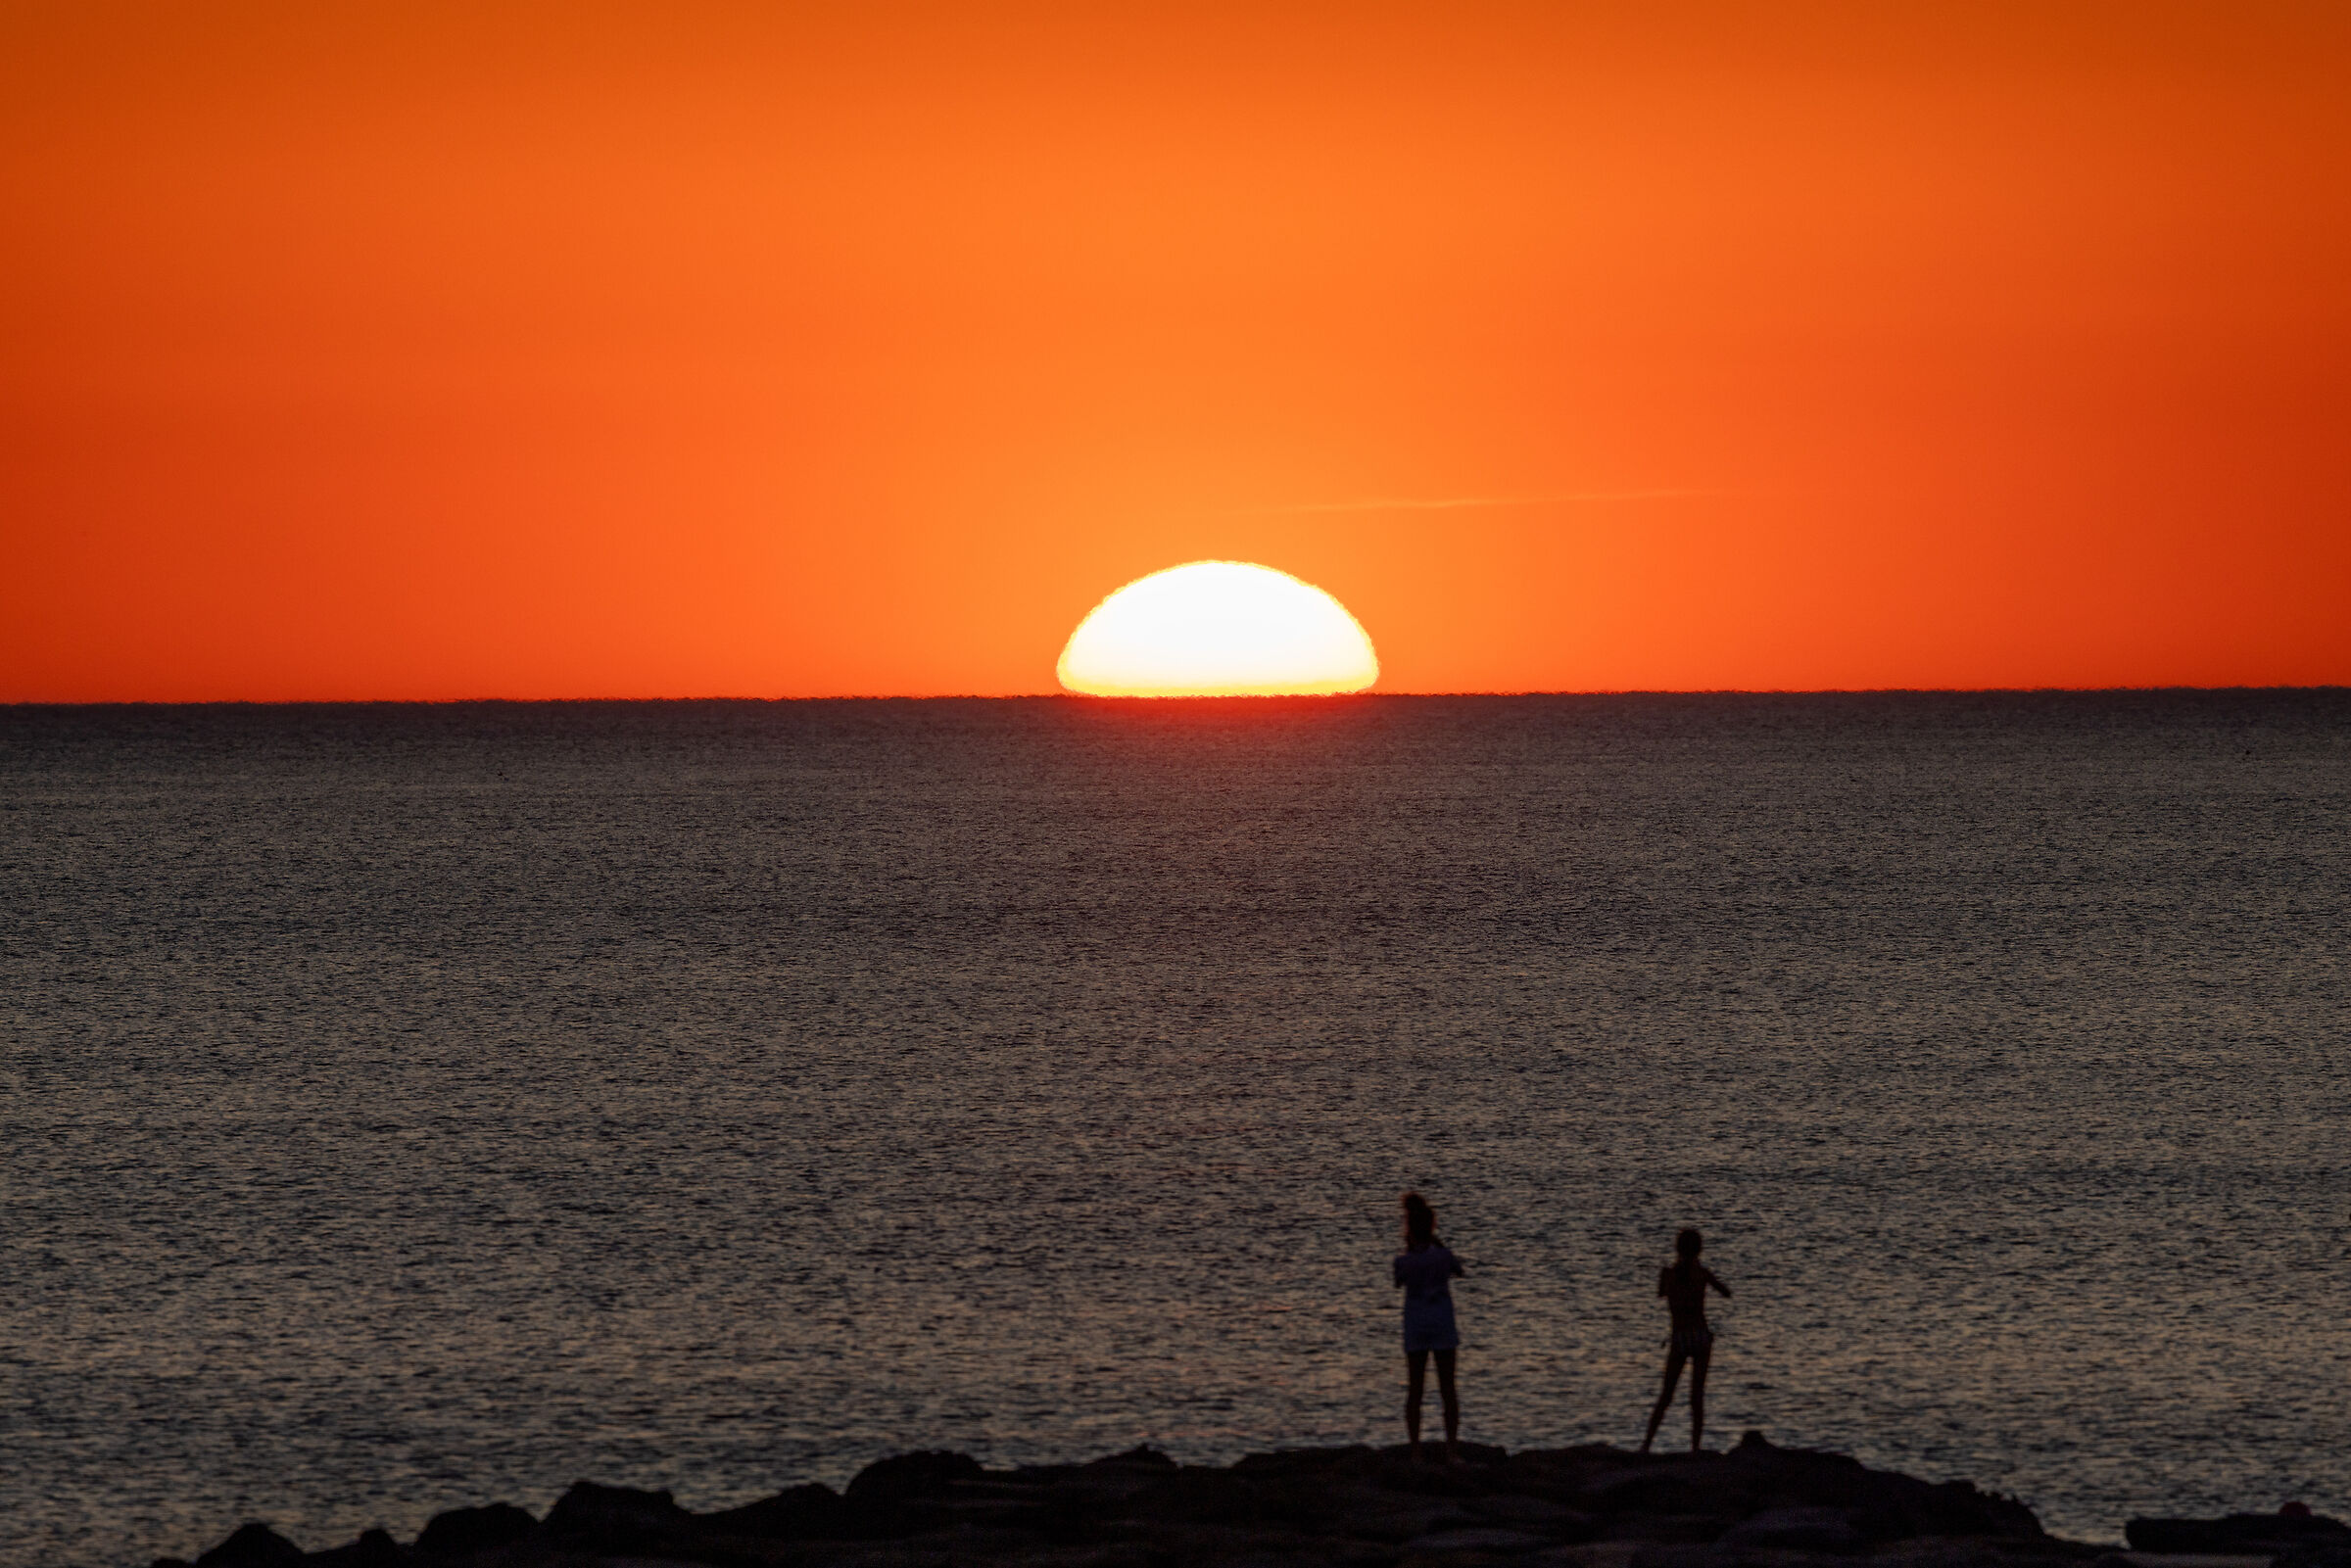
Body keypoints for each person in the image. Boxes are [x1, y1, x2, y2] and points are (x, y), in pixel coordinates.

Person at [1641, 1227, 1731, 1454]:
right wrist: (1705, 1275)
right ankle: (1695, 1447)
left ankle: (1646, 1446)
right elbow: (1726, 1292)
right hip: (1700, 1336)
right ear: (1700, 1250)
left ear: (1677, 1248)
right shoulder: (1702, 1273)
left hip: (1679, 1337)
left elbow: (1661, 1293)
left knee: (1666, 1395)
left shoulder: (1668, 1274)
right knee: (1697, 1396)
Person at [1393, 1191, 1464, 1463]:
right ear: (1433, 1226)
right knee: (1448, 1389)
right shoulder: (1444, 1255)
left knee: (1415, 1390)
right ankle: (1452, 1451)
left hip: (1416, 1326)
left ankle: (1415, 1451)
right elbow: (1458, 1271)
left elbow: (1399, 1281)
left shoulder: (1403, 1261)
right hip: (1443, 1323)